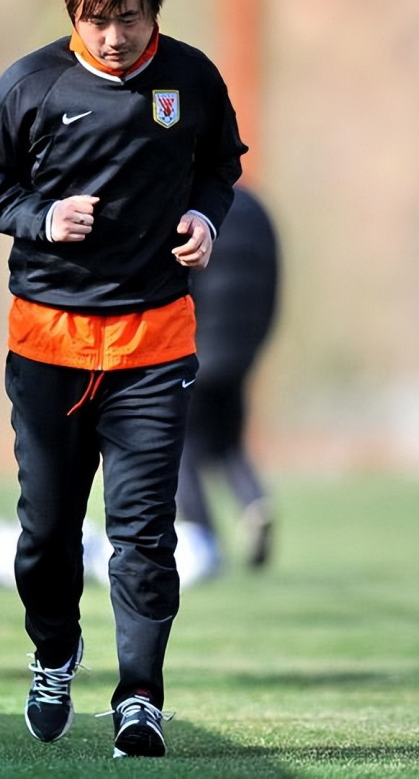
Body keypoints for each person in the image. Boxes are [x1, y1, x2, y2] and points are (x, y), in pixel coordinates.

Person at [0, 0, 247, 759]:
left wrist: (204, 217)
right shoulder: (31, 84)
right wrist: (41, 216)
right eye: (96, 19)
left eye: (128, 17)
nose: (113, 35)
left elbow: (220, 164)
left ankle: (140, 699)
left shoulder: (190, 78)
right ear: (72, 15)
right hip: (48, 346)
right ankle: (54, 650)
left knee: (144, 533)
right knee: (46, 534)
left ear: (155, 11)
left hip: (153, 345)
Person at [175, 186, 280, 580]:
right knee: (227, 440)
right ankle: (254, 500)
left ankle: (204, 541)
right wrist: (256, 340)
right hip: (242, 347)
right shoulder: (256, 209)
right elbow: (275, 281)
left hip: (195, 344)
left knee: (180, 443)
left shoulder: (187, 210)